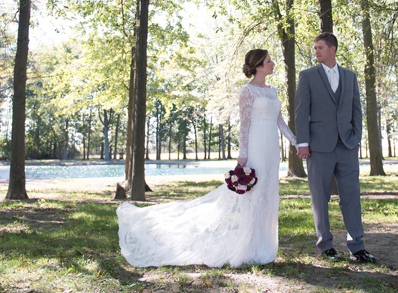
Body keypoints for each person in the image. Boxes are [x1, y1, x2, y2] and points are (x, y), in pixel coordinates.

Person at [116, 49, 297, 267]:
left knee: (269, 197)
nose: (273, 63)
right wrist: (243, 154)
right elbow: (245, 125)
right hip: (256, 148)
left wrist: (296, 142)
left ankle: (266, 249)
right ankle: (249, 249)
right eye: (269, 61)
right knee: (253, 198)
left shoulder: (272, 91)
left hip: (271, 150)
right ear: (258, 66)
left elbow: (280, 122)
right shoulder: (247, 91)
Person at [295, 32, 376, 263]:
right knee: (320, 197)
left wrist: (356, 138)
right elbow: (301, 111)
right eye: (315, 48)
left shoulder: (350, 76)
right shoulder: (308, 76)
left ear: (333, 49)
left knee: (351, 196)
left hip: (347, 145)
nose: (316, 51)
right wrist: (303, 143)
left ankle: (357, 247)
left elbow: (356, 110)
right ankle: (326, 245)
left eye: (320, 47)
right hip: (318, 147)